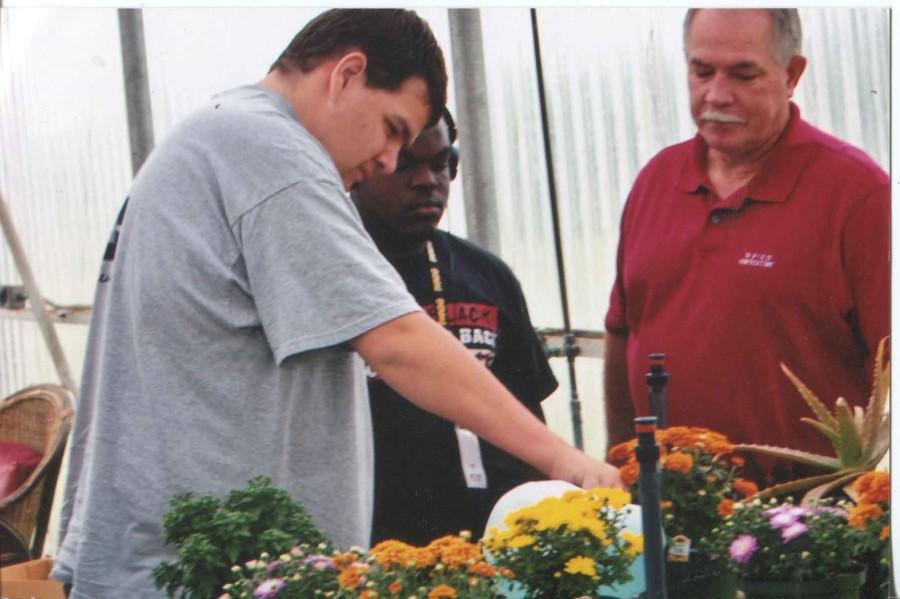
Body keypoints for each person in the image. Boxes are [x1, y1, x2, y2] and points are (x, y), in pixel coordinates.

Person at [53, 9, 620, 597]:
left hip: (176, 561)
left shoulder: (214, 135)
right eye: (394, 129)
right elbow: (396, 339)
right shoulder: (268, 148)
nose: (390, 161)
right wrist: (563, 460)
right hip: (208, 573)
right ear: (347, 74)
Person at [603, 8, 889, 486]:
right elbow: (621, 331)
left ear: (792, 73)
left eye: (743, 74)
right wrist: (618, 472)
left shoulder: (857, 195)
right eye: (701, 71)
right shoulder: (656, 181)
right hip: (666, 506)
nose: (716, 95)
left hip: (804, 525)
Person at [351, 109, 557, 545]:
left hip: (491, 540)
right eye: (407, 165)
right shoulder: (338, 278)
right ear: (362, 170)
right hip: (375, 547)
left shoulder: (487, 275)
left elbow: (529, 417)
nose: (428, 180)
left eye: (441, 163)